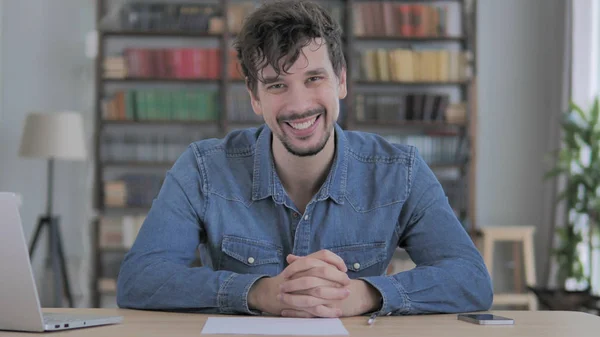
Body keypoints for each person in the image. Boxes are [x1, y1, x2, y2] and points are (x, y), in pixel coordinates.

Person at [116, 0, 493, 317]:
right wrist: (260, 292)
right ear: (254, 96)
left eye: (314, 78)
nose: (299, 105)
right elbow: (140, 279)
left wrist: (363, 295)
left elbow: (471, 279)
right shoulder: (202, 168)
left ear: (341, 80)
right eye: (277, 84)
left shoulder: (402, 171)